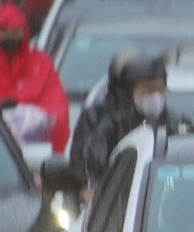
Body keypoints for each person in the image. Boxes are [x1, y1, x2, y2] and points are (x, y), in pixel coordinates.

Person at [0, 1, 70, 151]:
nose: (10, 37)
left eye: (15, 31)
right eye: (4, 31)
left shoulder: (42, 65)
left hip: (35, 151)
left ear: (24, 32)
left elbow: (58, 111)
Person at [69, 50, 171, 181]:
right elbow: (85, 165)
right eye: (146, 89)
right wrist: (89, 184)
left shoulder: (172, 121)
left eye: (159, 89)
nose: (154, 97)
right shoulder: (103, 122)